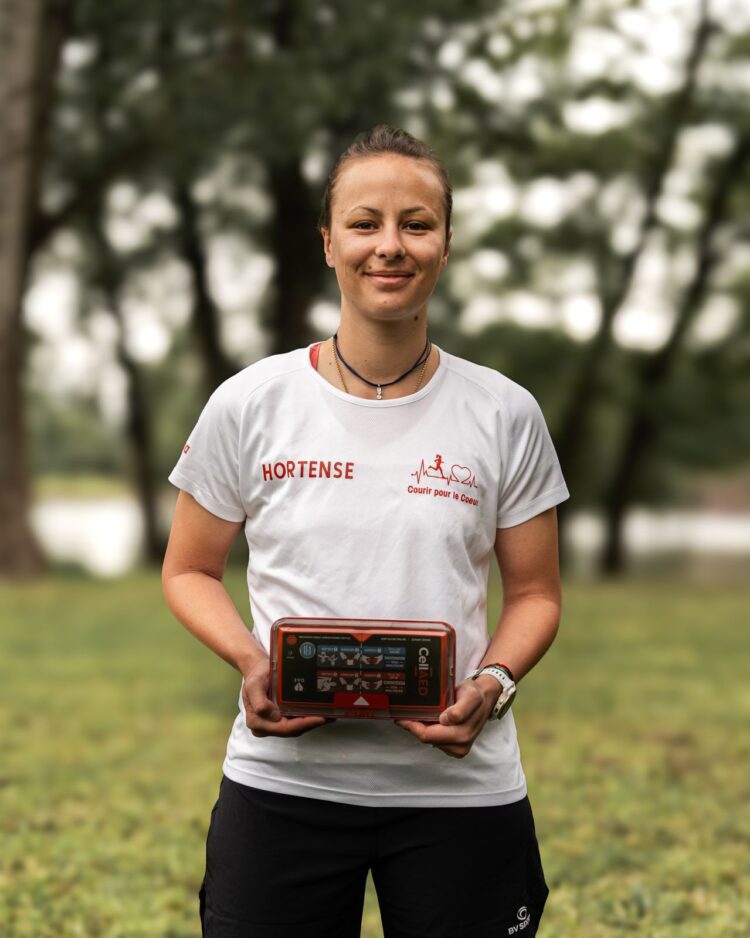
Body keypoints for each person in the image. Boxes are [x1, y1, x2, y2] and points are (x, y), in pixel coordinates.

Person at [162, 124, 570, 938]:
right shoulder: (250, 403)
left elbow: (535, 594)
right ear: (328, 243)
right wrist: (250, 660)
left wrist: (491, 685)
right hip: (283, 786)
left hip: (461, 792)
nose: (390, 246)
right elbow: (188, 571)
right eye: (365, 222)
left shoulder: (504, 412)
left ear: (445, 244)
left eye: (416, 224)